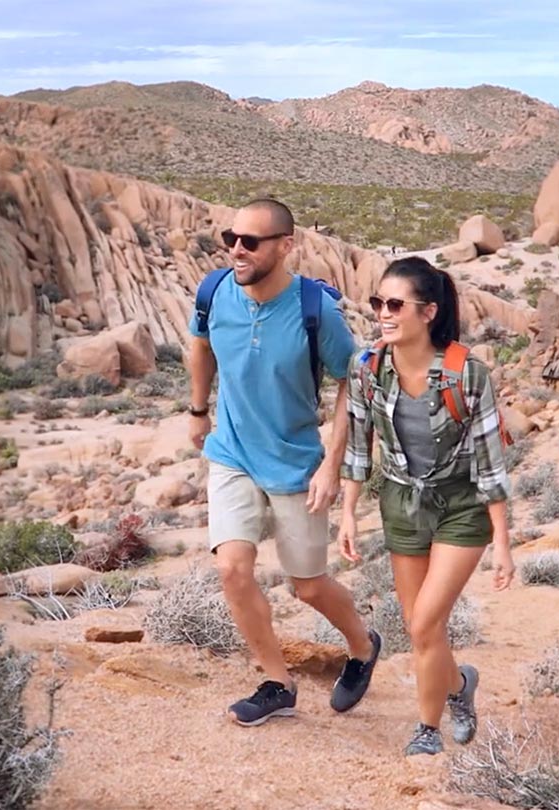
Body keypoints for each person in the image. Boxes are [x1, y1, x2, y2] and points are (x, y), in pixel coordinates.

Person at [187, 198, 382, 727]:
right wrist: (199, 410)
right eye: (232, 238)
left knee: (308, 585)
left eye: (251, 241)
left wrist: (331, 464)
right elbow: (200, 345)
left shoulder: (315, 310)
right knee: (232, 569)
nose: (237, 250)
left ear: (285, 246)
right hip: (232, 453)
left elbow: (352, 380)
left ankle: (364, 647)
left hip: (296, 463)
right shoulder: (215, 292)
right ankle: (277, 681)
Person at [337, 256, 515, 756]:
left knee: (420, 624)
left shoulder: (467, 374)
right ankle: (459, 684)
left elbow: (490, 464)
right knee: (425, 629)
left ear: (428, 312)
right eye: (378, 303)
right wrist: (349, 512)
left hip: (461, 505)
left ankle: (426, 729)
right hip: (400, 501)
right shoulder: (367, 368)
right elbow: (357, 446)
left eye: (395, 304)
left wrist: (502, 543)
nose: (383, 314)